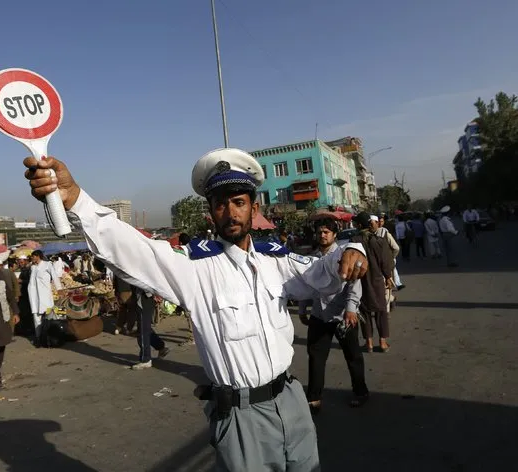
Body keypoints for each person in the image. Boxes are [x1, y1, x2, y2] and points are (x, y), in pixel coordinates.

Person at [23, 148, 368, 472]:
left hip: (292, 400)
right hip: (241, 416)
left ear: (254, 208)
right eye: (221, 204)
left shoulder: (274, 260)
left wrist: (350, 251)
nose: (231, 212)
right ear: (210, 212)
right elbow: (134, 249)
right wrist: (75, 199)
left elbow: (319, 274)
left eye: (239, 202)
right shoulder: (193, 268)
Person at [305, 218, 368, 414]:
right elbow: (306, 284)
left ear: (334, 235)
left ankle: (360, 392)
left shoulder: (343, 254)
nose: (322, 235)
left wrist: (351, 308)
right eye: (319, 232)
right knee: (315, 357)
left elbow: (354, 283)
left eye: (326, 232)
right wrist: (301, 309)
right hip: (319, 314)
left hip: (342, 314)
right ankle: (314, 397)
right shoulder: (312, 257)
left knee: (353, 356)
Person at [351, 212, 393, 353]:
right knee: (381, 310)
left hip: (360, 280)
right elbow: (386, 262)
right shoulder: (379, 241)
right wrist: (388, 277)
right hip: (376, 279)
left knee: (364, 311)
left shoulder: (354, 240)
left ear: (358, 225)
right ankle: (383, 342)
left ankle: (368, 343)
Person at [131, 287, 170, 370]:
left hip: (144, 298)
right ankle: (161, 347)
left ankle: (145, 359)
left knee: (143, 331)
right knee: (145, 328)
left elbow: (144, 281)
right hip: (147, 298)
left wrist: (152, 293)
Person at [28, 250, 63, 342]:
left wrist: (59, 289)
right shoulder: (32, 267)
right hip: (34, 295)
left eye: (33, 256)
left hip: (45, 295)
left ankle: (51, 336)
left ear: (38, 256)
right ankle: (38, 337)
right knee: (36, 316)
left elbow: (55, 277)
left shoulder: (47, 264)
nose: (32, 258)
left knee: (50, 314)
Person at [377, 216, 404, 290]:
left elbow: (395, 247)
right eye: (378, 221)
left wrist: (392, 256)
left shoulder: (385, 231)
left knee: (393, 270)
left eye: (381, 221)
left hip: (388, 256)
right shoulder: (374, 232)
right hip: (381, 257)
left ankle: (397, 284)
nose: (380, 223)